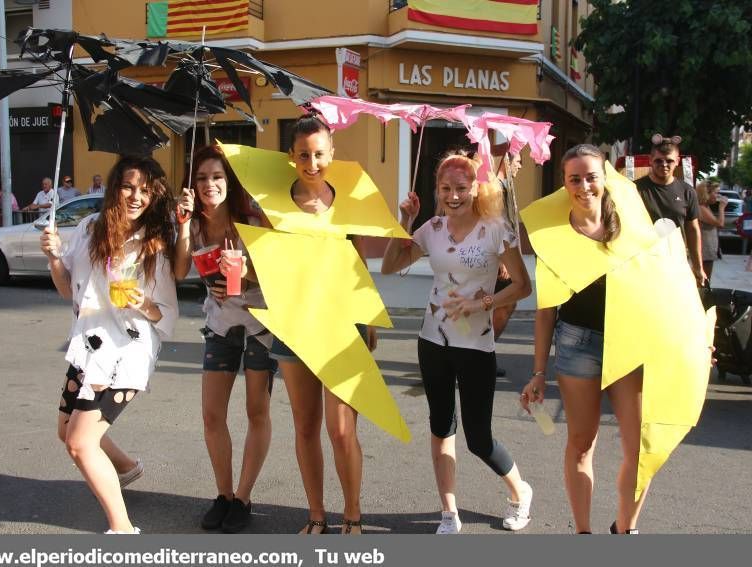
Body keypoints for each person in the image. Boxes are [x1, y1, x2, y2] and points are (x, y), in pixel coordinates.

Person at [381, 150, 534, 534]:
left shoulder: (496, 228)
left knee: (479, 439)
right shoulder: (431, 228)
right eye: (446, 188)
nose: (453, 196)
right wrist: (404, 221)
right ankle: (449, 513)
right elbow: (390, 265)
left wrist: (481, 302)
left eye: (461, 188)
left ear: (475, 188)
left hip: (477, 346)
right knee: (440, 427)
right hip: (432, 341)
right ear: (436, 190)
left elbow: (522, 286)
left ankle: (520, 493)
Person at [39, 155, 178, 534]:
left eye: (146, 190)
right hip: (89, 345)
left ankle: (123, 530)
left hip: (127, 352)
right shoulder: (87, 228)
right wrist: (53, 257)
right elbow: (68, 288)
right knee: (65, 430)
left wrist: (143, 304)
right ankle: (126, 467)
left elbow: (166, 311)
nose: (136, 196)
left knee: (80, 444)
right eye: (129, 186)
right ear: (115, 186)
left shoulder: (153, 242)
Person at [522, 144, 646, 535]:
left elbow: (661, 287)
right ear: (564, 183)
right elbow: (546, 310)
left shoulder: (631, 226)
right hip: (577, 344)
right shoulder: (553, 237)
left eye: (591, 176)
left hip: (629, 341)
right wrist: (538, 371)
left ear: (605, 178)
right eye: (575, 178)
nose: (584, 185)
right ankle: (583, 534)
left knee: (640, 451)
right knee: (581, 444)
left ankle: (626, 529)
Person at [271, 115, 376, 535]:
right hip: (294, 323)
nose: (312, 163)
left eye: (319, 154)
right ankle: (316, 514)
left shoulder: (349, 199)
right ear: (291, 157)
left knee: (340, 428)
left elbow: (360, 263)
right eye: (303, 155)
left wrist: (368, 321)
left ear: (332, 153)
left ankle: (353, 513)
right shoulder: (274, 202)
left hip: (342, 325)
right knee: (305, 426)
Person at [174, 144, 277, 533]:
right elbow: (180, 269)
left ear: (228, 181)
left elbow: (277, 275)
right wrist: (182, 224)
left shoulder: (249, 219)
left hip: (259, 326)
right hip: (219, 326)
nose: (209, 184)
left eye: (217, 177)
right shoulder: (194, 223)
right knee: (212, 415)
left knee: (256, 412)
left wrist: (244, 274)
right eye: (201, 177)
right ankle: (223, 493)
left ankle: (243, 498)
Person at [634, 135, 705, 285]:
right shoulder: (634, 189)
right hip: (643, 264)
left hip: (677, 263)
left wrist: (698, 267)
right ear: (650, 160)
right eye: (658, 160)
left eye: (669, 160)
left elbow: (693, 229)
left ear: (677, 161)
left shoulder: (687, 191)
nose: (664, 164)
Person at [493, 151, 524, 377]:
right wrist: (502, 259)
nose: (520, 166)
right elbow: (493, 222)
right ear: (506, 160)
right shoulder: (494, 186)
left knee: (504, 305)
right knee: (503, 305)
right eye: (518, 160)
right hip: (497, 256)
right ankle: (481, 353)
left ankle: (483, 352)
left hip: (506, 253)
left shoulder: (506, 184)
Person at [696, 180, 726, 281]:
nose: (718, 196)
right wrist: (722, 207)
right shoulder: (701, 208)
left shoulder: (706, 207)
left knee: (707, 277)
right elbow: (720, 224)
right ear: (707, 193)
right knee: (705, 279)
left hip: (709, 248)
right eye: (716, 193)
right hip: (705, 249)